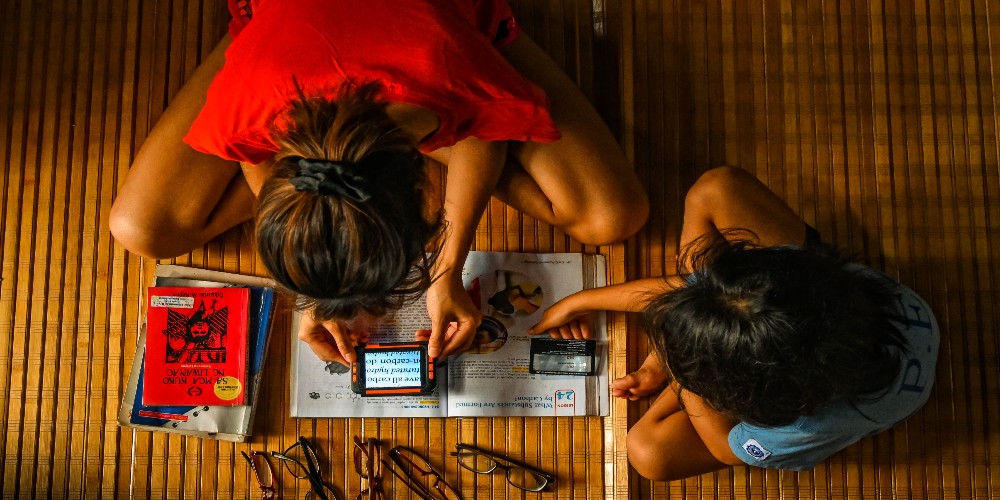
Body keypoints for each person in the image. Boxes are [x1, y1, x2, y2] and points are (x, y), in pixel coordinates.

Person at [109, 0, 649, 366]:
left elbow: (485, 136)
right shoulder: (241, 117)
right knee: (139, 227)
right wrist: (314, 282)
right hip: (276, 49)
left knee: (613, 216)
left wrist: (447, 274)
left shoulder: (455, 84)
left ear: (421, 191)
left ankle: (486, 27)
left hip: (440, 37)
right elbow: (267, 181)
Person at [529, 166, 939, 479]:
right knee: (717, 188)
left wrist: (678, 370)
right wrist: (581, 299)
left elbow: (726, 449)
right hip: (836, 321)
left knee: (649, 453)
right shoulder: (801, 288)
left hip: (823, 381)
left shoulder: (803, 424)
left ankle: (692, 348)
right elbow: (707, 290)